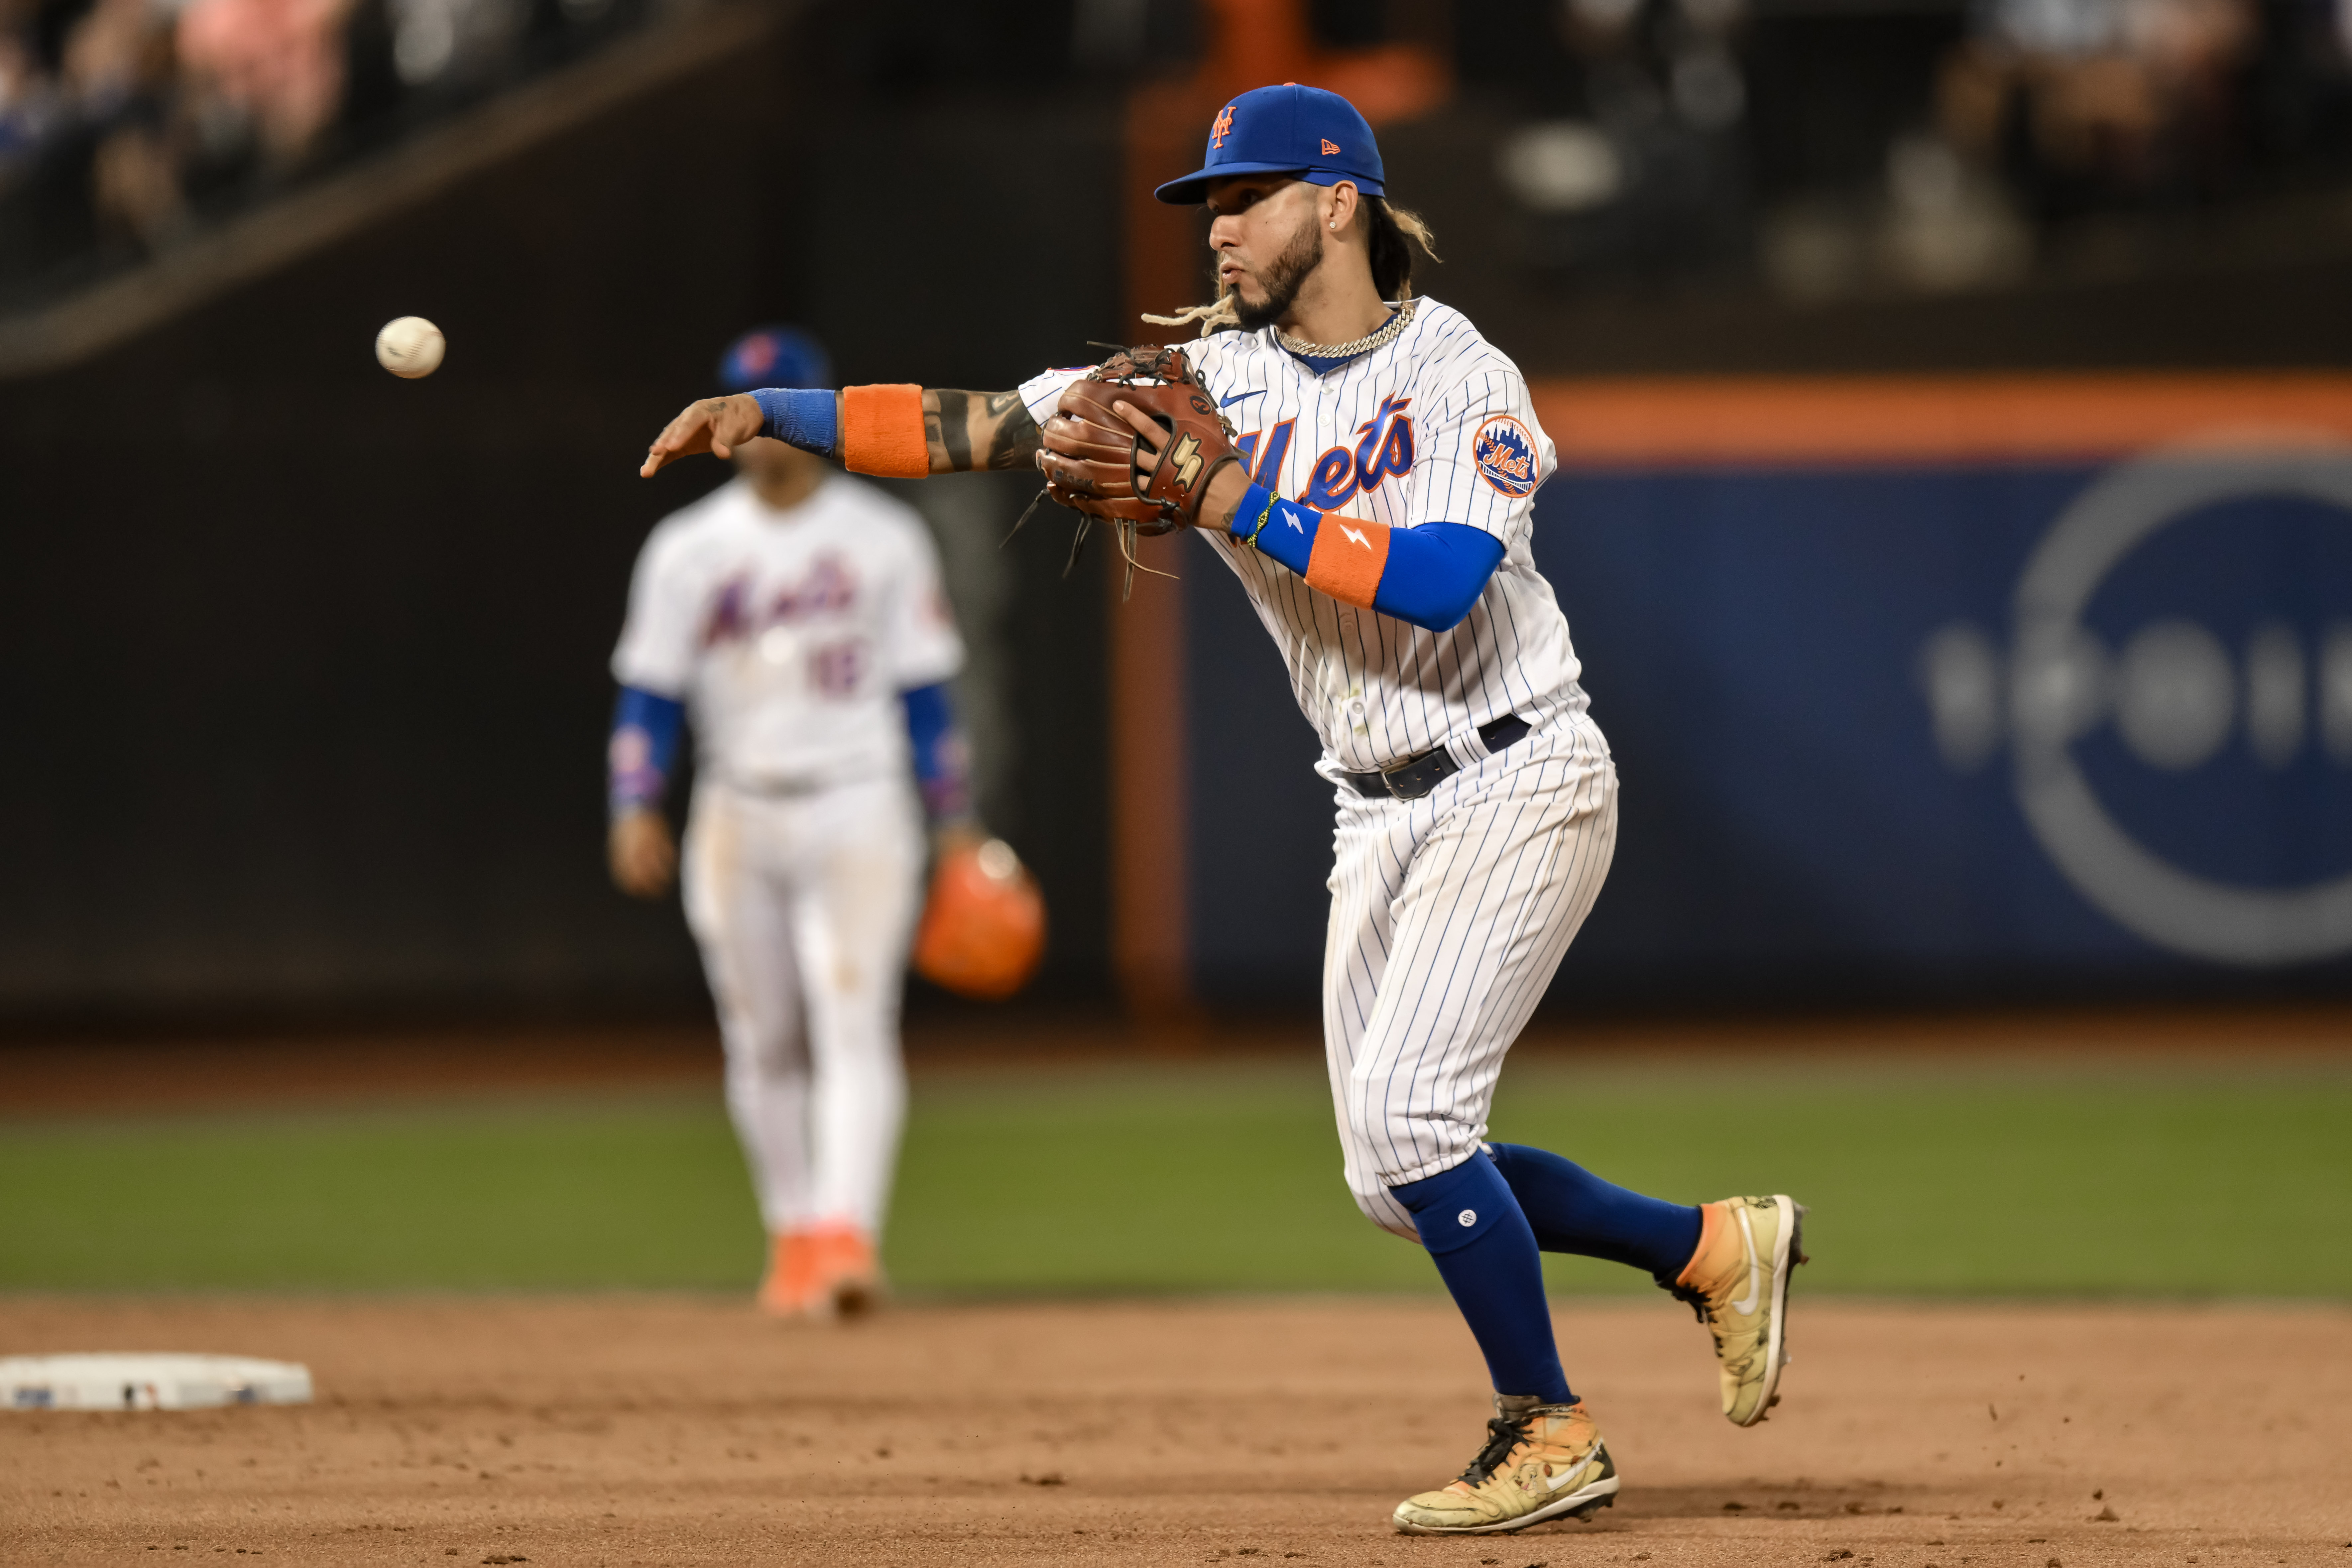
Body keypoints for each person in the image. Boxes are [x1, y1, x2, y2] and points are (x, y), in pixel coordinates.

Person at [638, 88, 1805, 1533]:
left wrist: (1238, 502)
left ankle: (1548, 1427)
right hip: (1369, 810)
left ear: (1337, 201)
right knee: (1393, 1173)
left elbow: (1441, 579)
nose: (1218, 227)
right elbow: (971, 424)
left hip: (1517, 768)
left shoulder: (1458, 371)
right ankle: (1704, 1246)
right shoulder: (1215, 379)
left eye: (1242, 196)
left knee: (1408, 1120)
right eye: (1206, 202)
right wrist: (781, 417)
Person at [610, 325, 975, 1322]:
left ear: (813, 413)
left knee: (854, 1022)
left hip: (861, 803)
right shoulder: (688, 549)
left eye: (777, 407)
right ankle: (795, 1237)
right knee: (762, 1037)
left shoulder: (882, 536)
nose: (758, 428)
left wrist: (955, 826)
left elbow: (928, 693)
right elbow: (649, 693)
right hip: (737, 809)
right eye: (744, 405)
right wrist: (634, 800)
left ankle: (848, 1236)